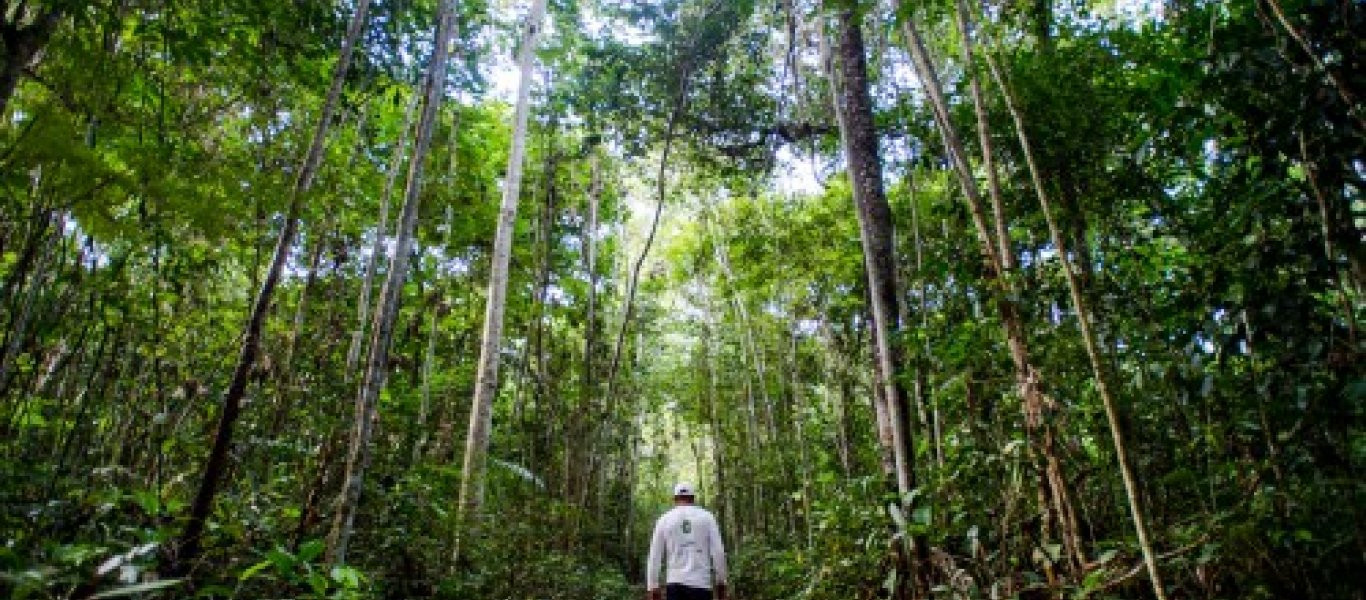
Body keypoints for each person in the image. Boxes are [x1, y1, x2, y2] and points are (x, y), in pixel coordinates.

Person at [646, 482, 729, 600]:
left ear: (674, 499)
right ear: (693, 498)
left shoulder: (664, 519)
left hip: (674, 585)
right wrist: (721, 582)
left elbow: (654, 555)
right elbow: (718, 552)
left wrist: (653, 586)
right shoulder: (707, 517)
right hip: (701, 585)